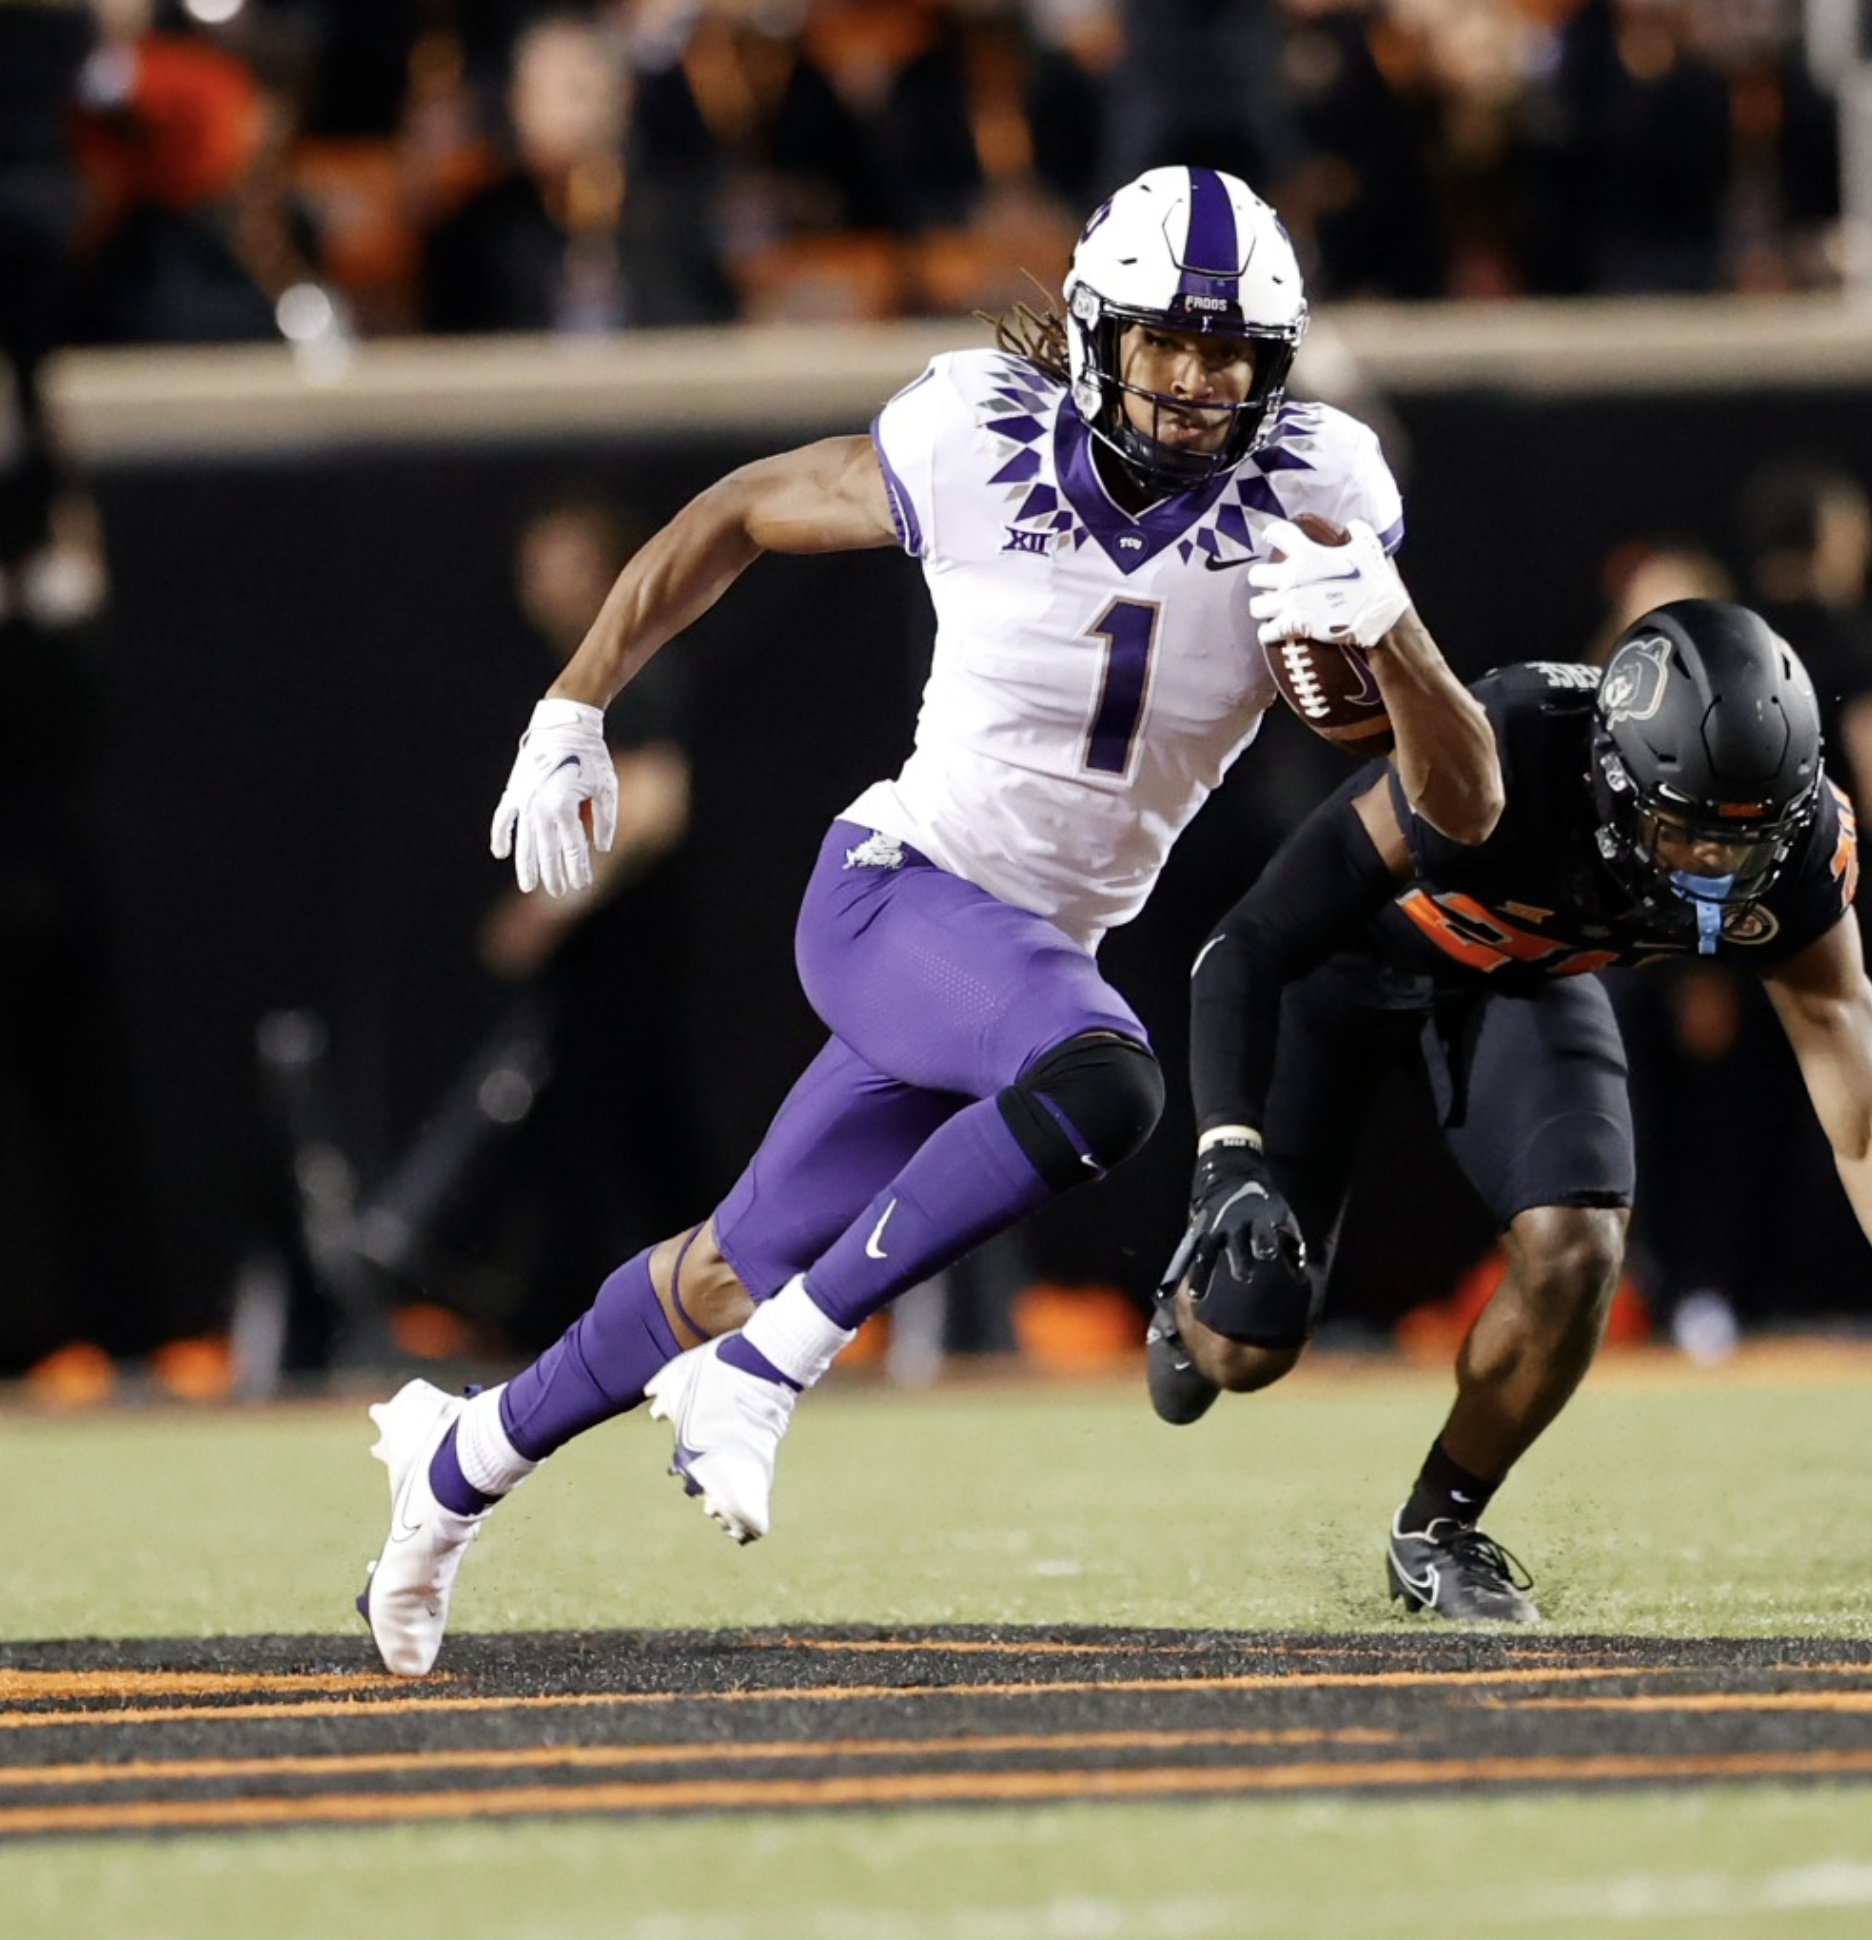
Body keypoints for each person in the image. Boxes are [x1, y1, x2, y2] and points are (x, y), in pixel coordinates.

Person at [359, 162, 1502, 1676]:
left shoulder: (1323, 492)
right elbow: (743, 510)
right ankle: (770, 1372)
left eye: (1231, 353)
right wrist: (578, 700)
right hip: (900, 893)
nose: (1196, 381)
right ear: (1100, 333)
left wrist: (1398, 633)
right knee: (1105, 1079)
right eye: (1168, 341)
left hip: (1025, 961)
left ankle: (458, 1464)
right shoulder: (977, 433)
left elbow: (1466, 807)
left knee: (724, 1266)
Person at [1150, 599, 1871, 1621]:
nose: (1717, 873)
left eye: (1743, 845)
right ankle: (1187, 1300)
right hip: (1338, 976)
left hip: (1517, 979)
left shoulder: (1793, 849)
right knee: (1244, 1346)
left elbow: (1861, 1109)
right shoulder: (1505, 747)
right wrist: (1227, 1154)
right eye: (1689, 835)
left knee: (1579, 1245)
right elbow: (1248, 942)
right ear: (1615, 779)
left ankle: (1438, 1525)